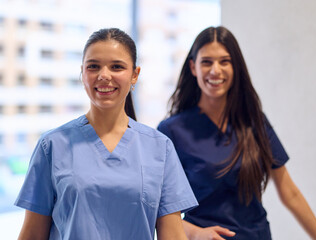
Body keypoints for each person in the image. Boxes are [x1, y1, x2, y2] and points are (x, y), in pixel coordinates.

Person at [15, 28, 198, 240]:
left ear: (134, 75)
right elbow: (32, 234)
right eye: (93, 66)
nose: (104, 75)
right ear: (82, 72)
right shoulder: (52, 146)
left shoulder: (159, 148)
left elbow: (173, 236)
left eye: (117, 67)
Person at [157, 26, 316, 240]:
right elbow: (159, 210)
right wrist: (196, 233)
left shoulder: (254, 121)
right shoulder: (171, 131)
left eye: (224, 61)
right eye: (206, 62)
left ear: (236, 67)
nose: (215, 70)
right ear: (193, 67)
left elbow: (290, 193)